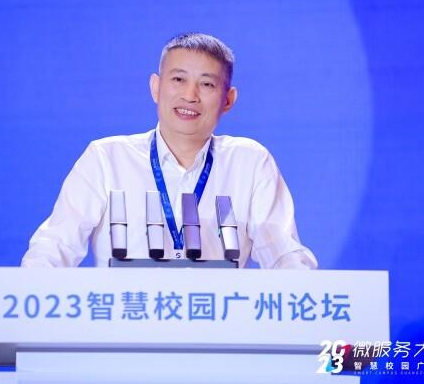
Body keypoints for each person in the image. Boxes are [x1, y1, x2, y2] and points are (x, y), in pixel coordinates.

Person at [21, 33, 317, 269]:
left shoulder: (249, 163)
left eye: (206, 84)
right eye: (178, 79)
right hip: (124, 320)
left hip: (218, 321)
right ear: (156, 87)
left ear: (228, 99)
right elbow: (54, 247)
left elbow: (284, 255)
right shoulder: (106, 158)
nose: (190, 95)